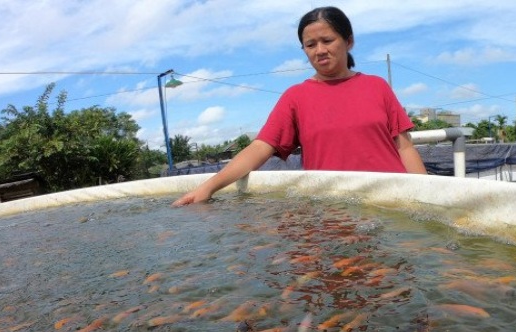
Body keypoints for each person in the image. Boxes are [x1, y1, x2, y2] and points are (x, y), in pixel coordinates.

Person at [172, 6, 426, 207]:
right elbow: (260, 147)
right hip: (331, 206)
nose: (320, 50)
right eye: (310, 44)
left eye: (328, 40)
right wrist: (208, 187)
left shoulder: (376, 86)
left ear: (348, 42)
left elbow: (404, 147)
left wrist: (428, 196)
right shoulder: (296, 97)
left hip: (392, 203)